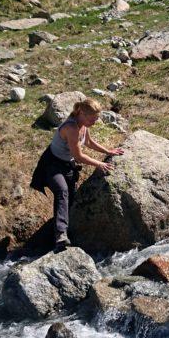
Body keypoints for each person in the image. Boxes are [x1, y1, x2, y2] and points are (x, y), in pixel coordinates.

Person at [30, 99, 123, 250]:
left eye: (96, 118)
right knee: (62, 191)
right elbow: (79, 157)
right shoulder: (71, 127)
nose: (94, 121)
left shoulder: (83, 125)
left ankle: (63, 231)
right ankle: (60, 235)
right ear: (81, 113)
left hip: (67, 166)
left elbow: (89, 142)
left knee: (71, 198)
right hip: (52, 166)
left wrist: (108, 151)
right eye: (92, 118)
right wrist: (99, 164)